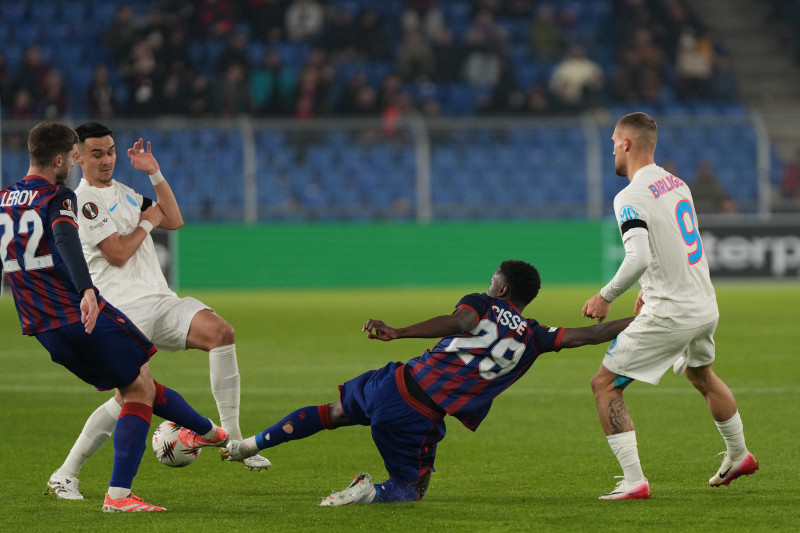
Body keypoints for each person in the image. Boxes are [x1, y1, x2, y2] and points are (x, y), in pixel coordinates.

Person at [222, 260, 634, 505]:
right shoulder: (536, 335)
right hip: (418, 414)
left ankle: (250, 445)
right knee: (413, 488)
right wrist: (648, 318)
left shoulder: (480, 302)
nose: (489, 283)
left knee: (332, 413)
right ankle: (369, 491)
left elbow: (461, 322)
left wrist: (398, 331)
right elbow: (594, 334)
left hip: (396, 379)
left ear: (502, 288)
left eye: (493, 279)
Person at [1, 121, 229, 512]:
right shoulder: (62, 196)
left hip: (39, 323)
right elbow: (64, 238)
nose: (73, 165)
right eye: (74, 157)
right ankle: (118, 494)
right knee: (137, 389)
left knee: (138, 382)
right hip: (76, 313)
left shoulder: (5, 197)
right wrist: (87, 289)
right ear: (60, 159)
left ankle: (214, 433)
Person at [45, 122, 270, 501]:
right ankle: (67, 473)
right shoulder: (81, 201)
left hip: (161, 300)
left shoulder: (126, 193)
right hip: (121, 310)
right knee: (132, 396)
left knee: (221, 333)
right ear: (77, 157)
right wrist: (149, 222)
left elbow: (175, 218)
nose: (106, 160)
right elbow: (116, 254)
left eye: (111, 151)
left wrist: (155, 173)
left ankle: (234, 441)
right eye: (96, 153)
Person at [582, 112, 758, 500]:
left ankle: (634, 481)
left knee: (605, 384)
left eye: (614, 141)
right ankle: (739, 454)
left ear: (627, 144)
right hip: (703, 304)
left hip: (672, 312)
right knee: (702, 376)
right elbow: (671, 243)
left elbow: (639, 257)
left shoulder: (629, 196)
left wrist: (605, 296)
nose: (611, 148)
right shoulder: (676, 183)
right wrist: (649, 286)